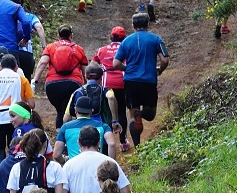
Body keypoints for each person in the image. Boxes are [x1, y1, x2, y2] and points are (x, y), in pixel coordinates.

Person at [113, 12, 169, 147]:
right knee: (150, 114)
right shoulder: (156, 39)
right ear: (148, 24)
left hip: (131, 82)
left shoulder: (126, 41)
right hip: (149, 80)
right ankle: (141, 114)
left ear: (133, 25)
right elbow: (165, 60)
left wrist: (127, 69)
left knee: (132, 116)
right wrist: (159, 70)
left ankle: (138, 147)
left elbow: (115, 64)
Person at [0, 54, 34, 167]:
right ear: (16, 67)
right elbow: (31, 104)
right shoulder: (21, 79)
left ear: (0, 66)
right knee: (16, 151)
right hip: (15, 121)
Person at [31, 24, 87, 128]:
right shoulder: (78, 48)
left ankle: (59, 137)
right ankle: (70, 137)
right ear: (71, 36)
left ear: (58, 36)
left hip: (52, 85)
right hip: (73, 84)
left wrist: (35, 81)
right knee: (69, 110)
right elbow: (85, 71)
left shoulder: (50, 47)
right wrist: (87, 85)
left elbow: (43, 63)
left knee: (60, 111)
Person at [94, 27, 130, 151]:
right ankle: (123, 142)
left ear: (111, 37)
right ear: (124, 38)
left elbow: (94, 64)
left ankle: (107, 142)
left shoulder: (101, 50)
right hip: (122, 82)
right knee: (121, 111)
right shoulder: (126, 48)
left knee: (107, 112)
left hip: (106, 83)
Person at [54, 96, 116, 161]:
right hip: (97, 168)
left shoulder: (65, 127)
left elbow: (56, 155)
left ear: (75, 110)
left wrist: (65, 160)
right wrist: (110, 163)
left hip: (74, 167)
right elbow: (112, 144)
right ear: (92, 111)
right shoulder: (103, 126)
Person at [10, 0, 44, 79]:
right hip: (27, 53)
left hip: (11, 51)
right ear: (22, 5)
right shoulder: (30, 16)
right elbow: (39, 27)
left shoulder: (8, 17)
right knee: (26, 80)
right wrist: (44, 46)